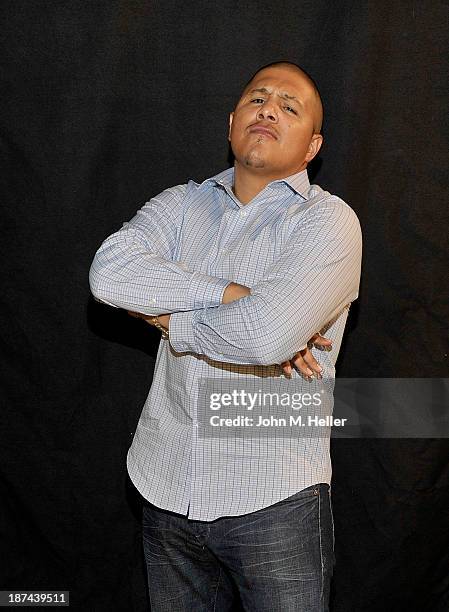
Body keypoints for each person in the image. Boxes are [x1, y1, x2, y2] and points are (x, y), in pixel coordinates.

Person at [89, 61, 362, 611]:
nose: (269, 109)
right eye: (258, 99)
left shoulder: (327, 222)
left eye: (290, 107)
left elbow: (264, 336)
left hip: (275, 503)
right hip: (164, 489)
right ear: (233, 120)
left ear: (312, 146)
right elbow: (109, 273)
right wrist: (229, 294)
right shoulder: (179, 205)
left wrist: (164, 315)